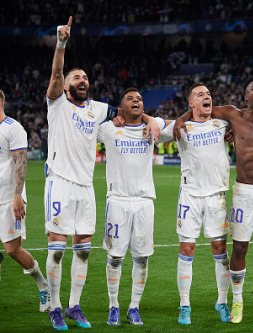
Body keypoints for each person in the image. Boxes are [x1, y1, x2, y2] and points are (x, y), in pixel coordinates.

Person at [44, 17, 159, 331]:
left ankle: (73, 306)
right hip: (60, 183)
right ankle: (54, 306)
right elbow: (56, 73)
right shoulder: (56, 103)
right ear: (66, 85)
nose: (83, 80)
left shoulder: (96, 108)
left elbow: (127, 111)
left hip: (86, 188)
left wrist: (148, 118)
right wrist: (62, 43)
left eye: (85, 77)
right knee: (56, 251)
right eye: (76, 77)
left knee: (82, 250)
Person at [174, 74, 253, 324]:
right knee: (239, 247)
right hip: (243, 191)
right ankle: (236, 301)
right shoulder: (231, 115)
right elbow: (201, 112)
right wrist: (180, 119)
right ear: (245, 96)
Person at [159, 82, 232, 325]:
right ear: (191, 104)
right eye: (200, 95)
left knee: (220, 250)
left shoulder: (222, 124)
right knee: (187, 249)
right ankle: (184, 305)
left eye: (209, 93)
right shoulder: (181, 127)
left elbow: (246, 118)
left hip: (216, 196)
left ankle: (222, 301)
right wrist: (180, 119)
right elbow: (154, 125)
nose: (207, 97)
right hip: (190, 196)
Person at [97, 88, 168, 326]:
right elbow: (84, 124)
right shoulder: (109, 128)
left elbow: (174, 122)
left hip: (144, 202)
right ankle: (113, 306)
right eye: (130, 99)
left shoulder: (153, 126)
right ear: (121, 107)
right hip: (117, 200)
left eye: (139, 98)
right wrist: (111, 115)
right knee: (115, 257)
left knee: (142, 258)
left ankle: (134, 307)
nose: (136, 100)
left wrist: (150, 120)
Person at [0, 89, 50, 312]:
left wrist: (18, 196)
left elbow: (21, 163)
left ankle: (42, 283)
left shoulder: (13, 128)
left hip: (9, 198)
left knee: (12, 250)